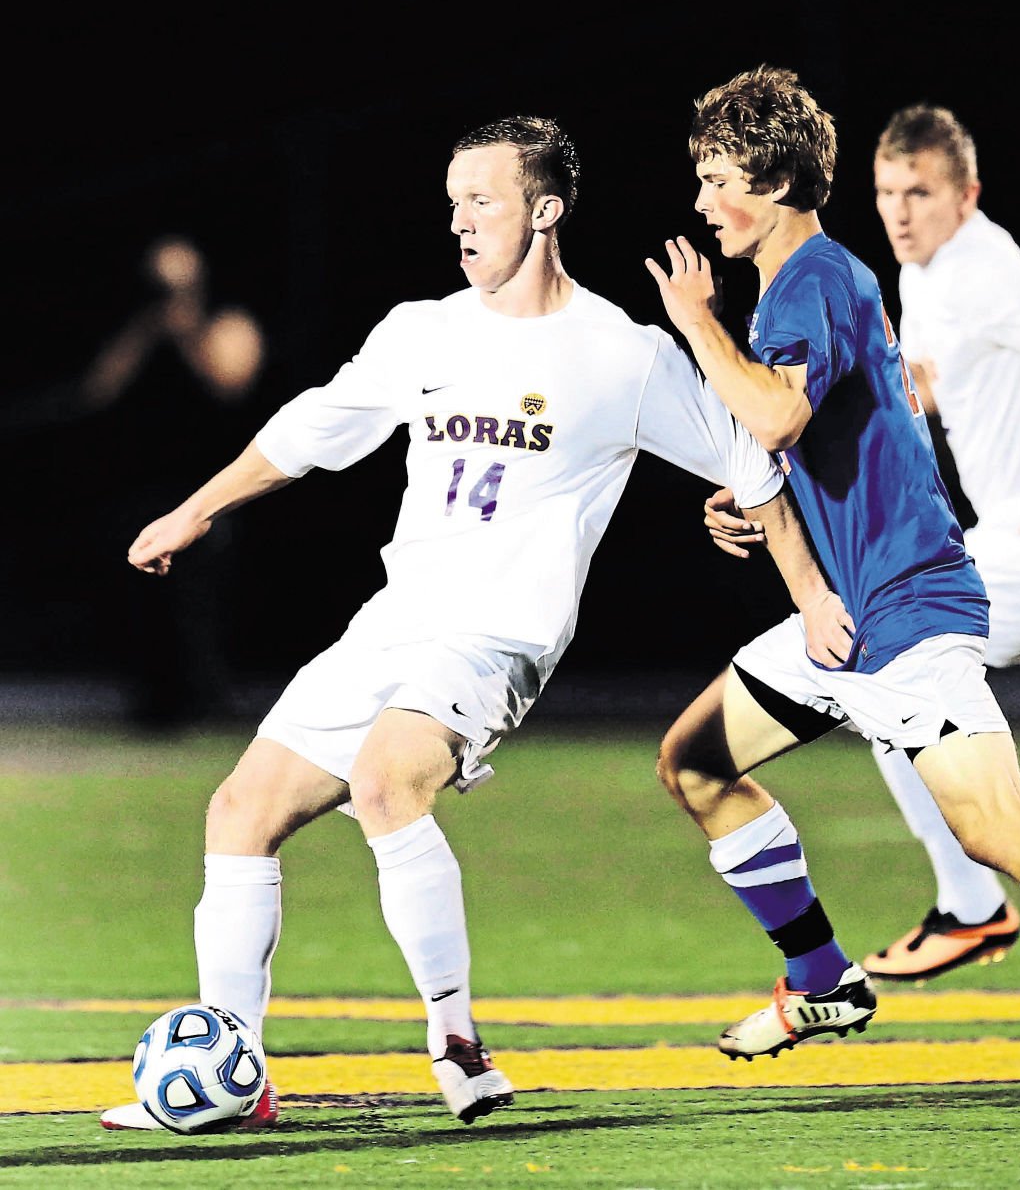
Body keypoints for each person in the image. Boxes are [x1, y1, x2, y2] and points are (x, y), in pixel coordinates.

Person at [99, 115, 851, 1133]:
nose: (458, 220)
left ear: (544, 210)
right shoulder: (424, 331)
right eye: (452, 199)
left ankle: (456, 1042)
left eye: (481, 199)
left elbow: (750, 459)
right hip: (395, 620)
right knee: (238, 810)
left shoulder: (618, 354)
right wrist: (197, 507)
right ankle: (238, 1070)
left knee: (384, 781)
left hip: (497, 634)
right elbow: (313, 428)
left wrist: (804, 590)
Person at [646, 65, 1020, 1127]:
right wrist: (745, 509)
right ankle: (821, 978)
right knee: (693, 760)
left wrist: (694, 325)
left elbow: (773, 416)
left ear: (770, 180)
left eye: (713, 176)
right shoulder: (800, 287)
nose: (698, 201)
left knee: (994, 822)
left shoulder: (814, 273)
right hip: (841, 620)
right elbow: (793, 443)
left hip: (902, 612)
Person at [81, 235, 267, 728]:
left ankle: (210, 702)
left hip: (210, 490)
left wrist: (187, 333)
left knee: (203, 602)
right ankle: (152, 704)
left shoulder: (226, 323)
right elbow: (99, 389)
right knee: (141, 597)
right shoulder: (141, 330)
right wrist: (148, 330)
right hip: (142, 488)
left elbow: (230, 381)